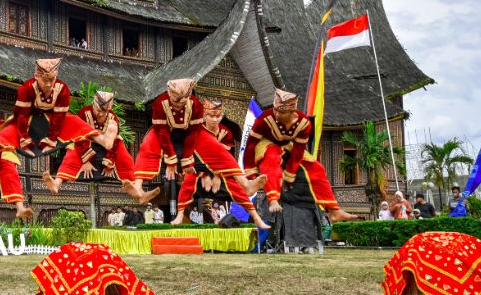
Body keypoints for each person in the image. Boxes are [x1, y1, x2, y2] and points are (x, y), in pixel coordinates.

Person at [0, 59, 101, 219]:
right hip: (18, 135)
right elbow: (20, 119)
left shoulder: (62, 93)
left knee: (72, 146)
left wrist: (54, 140)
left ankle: (52, 186)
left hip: (40, 131)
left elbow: (63, 120)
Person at [128, 80, 265, 217]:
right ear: (169, 92)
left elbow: (193, 133)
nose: (178, 106)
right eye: (176, 101)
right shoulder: (160, 103)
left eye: (183, 101)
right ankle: (139, 188)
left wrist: (187, 159)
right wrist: (171, 161)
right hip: (164, 133)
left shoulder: (196, 106)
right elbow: (162, 132)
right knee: (147, 144)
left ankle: (246, 185)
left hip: (189, 135)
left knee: (216, 148)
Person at [243, 89, 358, 222]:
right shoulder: (265, 118)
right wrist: (251, 174)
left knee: (317, 168)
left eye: (281, 112)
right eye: (275, 110)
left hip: (287, 145)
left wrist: (289, 175)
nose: (276, 114)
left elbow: (298, 150)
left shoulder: (304, 123)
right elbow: (251, 145)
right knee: (272, 158)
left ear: (292, 111)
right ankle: (273, 198)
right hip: (265, 144)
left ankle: (333, 210)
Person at [42, 91, 159, 204]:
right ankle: (56, 184)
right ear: (94, 104)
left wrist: (109, 162)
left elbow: (113, 143)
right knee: (70, 155)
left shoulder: (113, 119)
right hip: (84, 144)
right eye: (98, 110)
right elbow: (79, 138)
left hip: (108, 147)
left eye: (104, 112)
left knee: (125, 158)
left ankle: (138, 192)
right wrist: (86, 161)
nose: (100, 114)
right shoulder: (84, 114)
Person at [170, 98, 268, 227]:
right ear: (204, 115)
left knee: (234, 187)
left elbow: (224, 158)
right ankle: (180, 215)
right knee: (188, 182)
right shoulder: (197, 130)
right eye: (211, 116)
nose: (215, 120)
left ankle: (255, 215)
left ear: (222, 116)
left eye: (218, 116)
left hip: (220, 169)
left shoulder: (225, 132)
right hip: (198, 165)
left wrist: (216, 175)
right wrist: (205, 175)